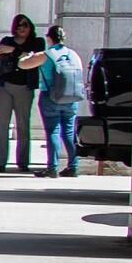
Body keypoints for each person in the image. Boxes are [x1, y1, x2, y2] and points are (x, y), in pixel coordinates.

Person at [0, 14, 48, 173]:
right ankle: (0, 162)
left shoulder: (37, 42)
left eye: (25, 25)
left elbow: (34, 57)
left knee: (22, 125)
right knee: (2, 125)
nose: (21, 28)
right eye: (18, 25)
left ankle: (23, 162)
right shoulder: (6, 40)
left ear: (30, 27)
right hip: (5, 85)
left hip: (25, 87)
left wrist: (13, 50)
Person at [39, 22, 86, 177]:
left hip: (50, 96)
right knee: (69, 132)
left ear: (49, 38)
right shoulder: (74, 54)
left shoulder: (47, 55)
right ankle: (73, 166)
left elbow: (26, 64)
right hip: (71, 98)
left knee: (53, 131)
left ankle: (52, 167)